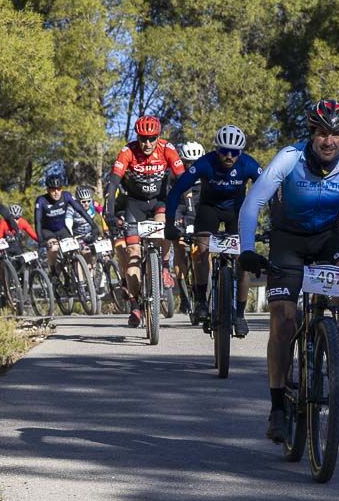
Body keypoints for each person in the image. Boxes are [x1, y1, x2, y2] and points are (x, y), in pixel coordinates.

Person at [237, 100, 339, 443]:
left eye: (337, 134)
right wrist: (248, 250)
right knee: (283, 319)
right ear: (312, 133)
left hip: (328, 235)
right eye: (322, 133)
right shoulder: (290, 157)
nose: (329, 141)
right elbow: (253, 202)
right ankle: (277, 408)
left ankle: (334, 344)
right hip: (288, 239)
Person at [165, 126, 262, 336]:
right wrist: (169, 223)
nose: (229, 156)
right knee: (201, 251)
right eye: (224, 150)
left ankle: (240, 314)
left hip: (237, 210)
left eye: (234, 152)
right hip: (209, 209)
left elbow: (269, 190)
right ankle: (200, 301)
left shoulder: (248, 164)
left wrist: (276, 221)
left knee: (242, 260)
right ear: (216, 149)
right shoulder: (205, 163)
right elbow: (176, 191)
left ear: (241, 152)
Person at [102, 115, 185, 328]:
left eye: (152, 138)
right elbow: (113, 183)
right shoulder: (128, 151)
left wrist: (187, 205)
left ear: (158, 136)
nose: (147, 144)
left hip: (159, 202)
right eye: (143, 138)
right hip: (135, 205)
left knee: (164, 224)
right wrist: (108, 210)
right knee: (132, 261)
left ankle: (164, 265)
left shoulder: (167, 148)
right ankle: (135, 304)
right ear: (137, 137)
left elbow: (183, 177)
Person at [35, 174, 98, 269]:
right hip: (48, 230)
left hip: (62, 229)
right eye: (53, 189)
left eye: (58, 189)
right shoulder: (41, 200)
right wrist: (40, 239)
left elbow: (81, 211)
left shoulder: (66, 196)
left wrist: (93, 225)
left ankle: (74, 274)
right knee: (54, 248)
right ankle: (53, 271)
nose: (56, 192)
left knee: (73, 249)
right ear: (48, 190)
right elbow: (38, 221)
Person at [172, 141, 205, 311]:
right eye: (188, 163)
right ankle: (184, 295)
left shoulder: (208, 174)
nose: (192, 167)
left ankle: (203, 294)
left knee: (202, 250)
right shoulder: (175, 174)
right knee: (179, 248)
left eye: (196, 163)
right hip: (181, 209)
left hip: (199, 211)